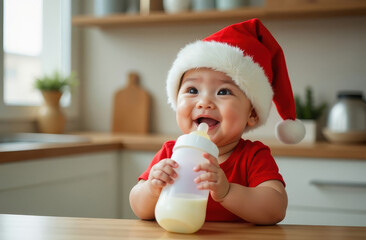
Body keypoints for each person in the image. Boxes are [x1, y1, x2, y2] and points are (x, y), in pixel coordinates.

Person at [129, 18, 305, 225]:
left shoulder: (253, 157)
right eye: (192, 90)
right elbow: (139, 209)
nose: (204, 102)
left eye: (224, 91)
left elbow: (275, 209)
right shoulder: (171, 152)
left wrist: (227, 191)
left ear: (253, 114)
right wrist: (152, 187)